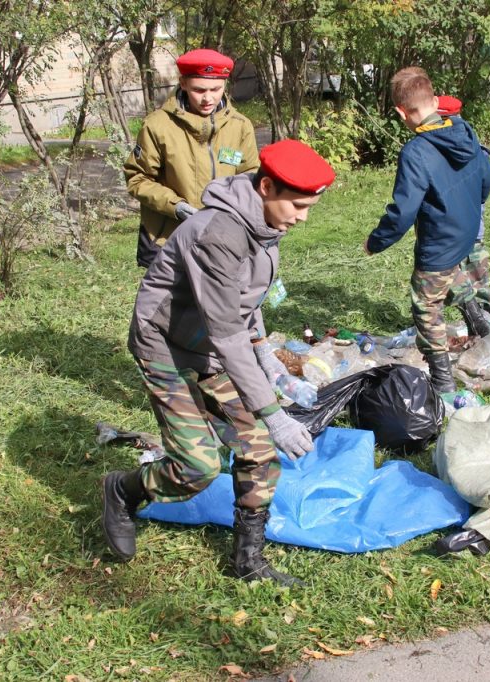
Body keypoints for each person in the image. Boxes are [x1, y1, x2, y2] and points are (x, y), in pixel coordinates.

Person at [102, 139, 336, 587]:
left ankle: (249, 562)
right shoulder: (221, 233)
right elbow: (227, 331)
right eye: (300, 205)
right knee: (198, 466)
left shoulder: (266, 223)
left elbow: (247, 298)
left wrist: (264, 351)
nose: (304, 217)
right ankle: (122, 489)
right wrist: (273, 412)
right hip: (166, 344)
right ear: (267, 186)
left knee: (259, 449)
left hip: (211, 342)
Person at [364, 69, 490, 393]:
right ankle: (476, 317)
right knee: (450, 272)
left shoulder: (416, 152)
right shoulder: (465, 130)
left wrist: (376, 241)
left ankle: (442, 380)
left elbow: (403, 211)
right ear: (435, 101)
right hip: (465, 232)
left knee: (426, 306)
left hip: (438, 242)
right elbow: (486, 178)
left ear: (399, 112)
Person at [124, 48, 259, 269]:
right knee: (169, 303)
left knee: (216, 301)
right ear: (183, 83)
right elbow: (138, 179)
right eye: (199, 90)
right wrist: (176, 206)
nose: (208, 98)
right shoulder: (157, 126)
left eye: (216, 89)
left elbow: (249, 177)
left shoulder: (240, 126)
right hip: (168, 238)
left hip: (222, 236)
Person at [436, 95, 490, 317]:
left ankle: (476, 318)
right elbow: (486, 183)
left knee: (443, 276)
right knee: (477, 274)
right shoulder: (475, 149)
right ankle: (484, 317)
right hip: (472, 228)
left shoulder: (432, 149)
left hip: (445, 232)